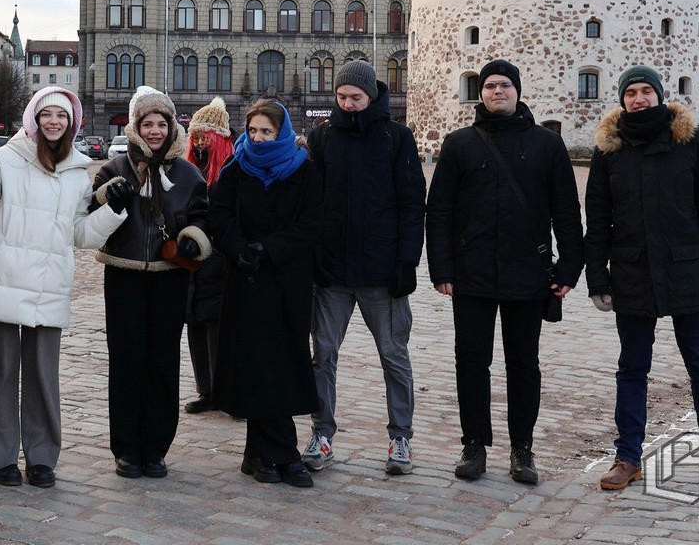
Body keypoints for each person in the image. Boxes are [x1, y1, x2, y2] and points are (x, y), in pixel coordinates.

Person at [0, 87, 130, 489]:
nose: (54, 122)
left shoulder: (76, 172)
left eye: (62, 116)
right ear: (33, 118)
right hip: (4, 277)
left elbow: (80, 234)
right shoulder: (9, 157)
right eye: (47, 114)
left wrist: (114, 212)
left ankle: (41, 456)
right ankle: (0, 457)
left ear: (72, 123)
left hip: (49, 283)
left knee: (42, 375)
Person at [584, 65, 699, 493]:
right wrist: (597, 279)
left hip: (687, 271)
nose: (639, 100)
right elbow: (597, 220)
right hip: (633, 272)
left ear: (660, 95)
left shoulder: (691, 143)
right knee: (632, 369)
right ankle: (627, 457)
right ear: (622, 99)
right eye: (632, 93)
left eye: (646, 92)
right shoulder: (609, 151)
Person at [425, 58, 583, 485]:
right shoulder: (460, 144)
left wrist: (569, 267)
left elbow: (567, 211)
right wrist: (441, 267)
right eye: (491, 86)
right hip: (471, 271)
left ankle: (522, 449)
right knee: (471, 361)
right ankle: (474, 444)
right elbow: (438, 209)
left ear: (518, 91)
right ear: (481, 93)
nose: (498, 92)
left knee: (523, 364)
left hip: (528, 272)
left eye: (506, 86)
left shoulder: (547, 145)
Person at [304, 60, 426, 475]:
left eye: (355, 98)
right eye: (341, 97)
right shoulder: (322, 138)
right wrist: (315, 257)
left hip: (382, 272)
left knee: (394, 356)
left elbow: (412, 205)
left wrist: (407, 261)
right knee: (323, 355)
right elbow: (313, 204)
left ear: (371, 96)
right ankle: (322, 434)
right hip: (333, 272)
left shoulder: (397, 137)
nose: (348, 104)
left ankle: (401, 438)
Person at [91, 86, 212, 479]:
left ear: (171, 125)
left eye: (162, 123)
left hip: (169, 276)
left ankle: (155, 448)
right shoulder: (116, 168)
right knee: (126, 361)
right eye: (148, 123)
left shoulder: (188, 172)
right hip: (123, 272)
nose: (156, 130)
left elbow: (201, 216)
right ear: (136, 126)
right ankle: (126, 448)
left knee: (162, 360)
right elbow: (90, 209)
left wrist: (195, 240)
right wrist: (111, 197)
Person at [209, 99, 323, 488]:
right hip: (246, 280)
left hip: (287, 278)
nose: (257, 138)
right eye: (253, 131)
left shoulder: (303, 171)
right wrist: (239, 246)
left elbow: (313, 223)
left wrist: (271, 248)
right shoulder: (236, 168)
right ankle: (275, 453)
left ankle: (268, 453)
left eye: (266, 132)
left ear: (282, 132)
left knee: (285, 363)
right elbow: (219, 215)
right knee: (255, 364)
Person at [181, 96, 235, 415]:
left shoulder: (229, 170)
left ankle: (225, 390)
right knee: (196, 324)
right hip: (192, 260)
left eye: (205, 137)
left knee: (219, 328)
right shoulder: (189, 170)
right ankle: (206, 390)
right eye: (196, 136)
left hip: (220, 258)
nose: (200, 143)